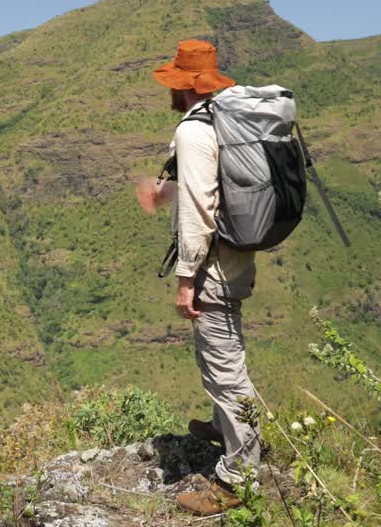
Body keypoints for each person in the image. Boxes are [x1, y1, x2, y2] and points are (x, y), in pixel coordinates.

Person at [136, 38, 260, 516]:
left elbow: (198, 209)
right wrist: (165, 190)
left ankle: (238, 478)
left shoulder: (193, 130)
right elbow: (212, 185)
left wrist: (186, 277)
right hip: (237, 258)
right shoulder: (225, 120)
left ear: (184, 84)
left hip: (211, 267)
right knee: (225, 354)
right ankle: (224, 426)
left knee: (225, 369)